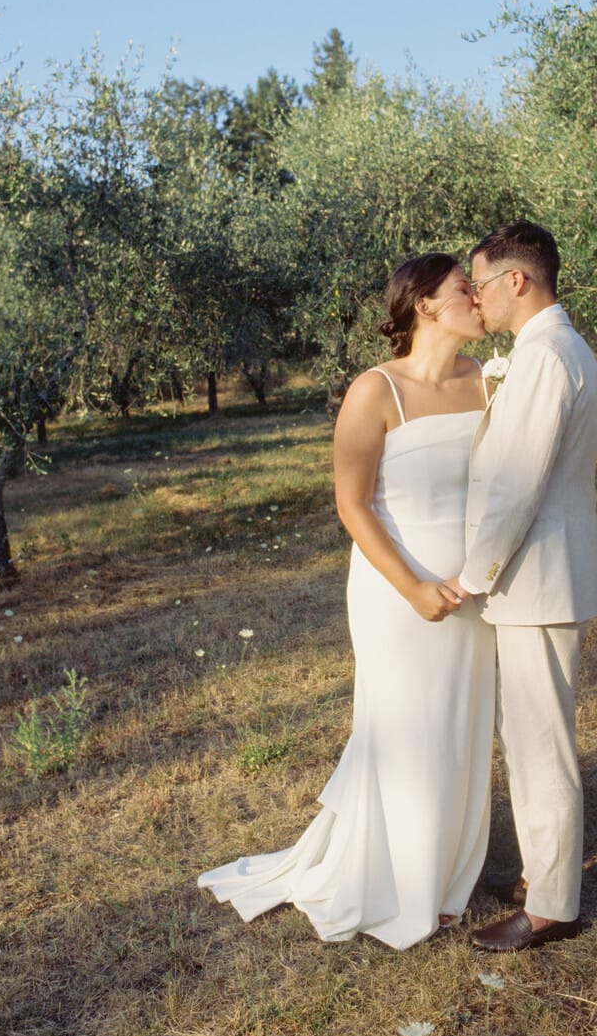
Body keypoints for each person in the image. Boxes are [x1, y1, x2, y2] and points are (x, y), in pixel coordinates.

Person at [198, 253, 496, 949]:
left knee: (462, 725)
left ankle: (449, 872)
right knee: (408, 726)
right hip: (399, 592)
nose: (478, 300)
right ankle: (399, 879)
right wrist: (416, 588)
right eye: (463, 289)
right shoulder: (376, 390)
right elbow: (351, 504)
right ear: (424, 303)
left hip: (473, 594)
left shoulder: (486, 380)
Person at [445, 220, 597, 952]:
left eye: (480, 284)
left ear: (518, 280)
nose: (476, 298)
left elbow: (516, 485)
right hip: (545, 574)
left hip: (534, 578)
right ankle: (547, 874)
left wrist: (475, 575)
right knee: (534, 737)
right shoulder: (555, 349)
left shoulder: (544, 359)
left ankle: (552, 906)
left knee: (541, 747)